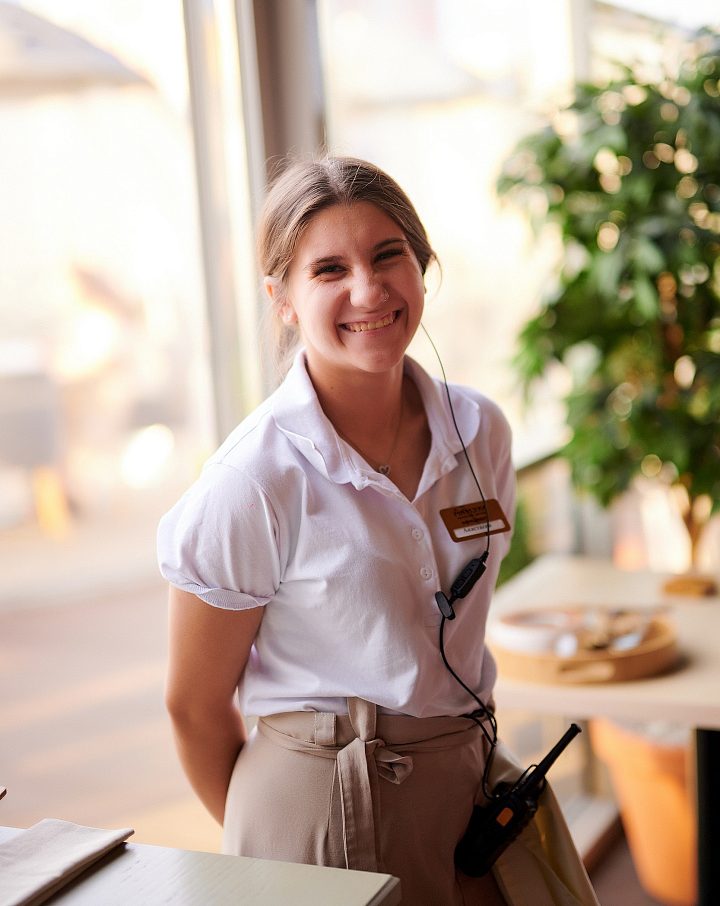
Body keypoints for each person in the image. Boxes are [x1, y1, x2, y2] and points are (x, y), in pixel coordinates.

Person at [158, 156, 598, 906]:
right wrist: (278, 839)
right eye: (329, 269)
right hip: (321, 800)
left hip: (466, 778)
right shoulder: (253, 480)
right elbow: (194, 708)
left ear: (421, 268)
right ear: (283, 299)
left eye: (388, 255)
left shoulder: (480, 430)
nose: (368, 290)